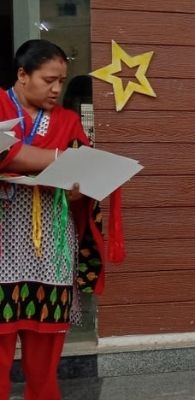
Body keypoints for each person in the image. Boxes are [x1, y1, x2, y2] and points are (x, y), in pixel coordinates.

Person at [0, 39, 105, 399]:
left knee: (45, 355)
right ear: (22, 75)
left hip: (50, 248)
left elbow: (86, 169)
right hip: (3, 244)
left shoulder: (68, 120)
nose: (57, 89)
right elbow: (9, 154)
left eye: (61, 80)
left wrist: (78, 190)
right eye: (49, 80)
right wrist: (61, 158)